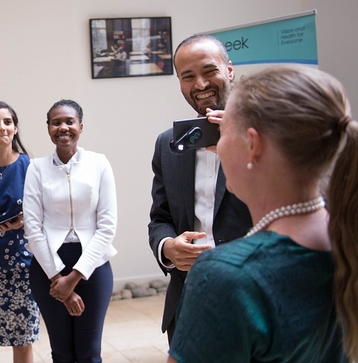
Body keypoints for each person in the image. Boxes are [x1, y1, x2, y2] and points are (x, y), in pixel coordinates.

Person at [167, 64, 351, 362]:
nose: (217, 146)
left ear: (253, 144)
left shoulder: (226, 275)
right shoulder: (346, 238)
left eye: (223, 132)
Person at [148, 33, 252, 343]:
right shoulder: (168, 145)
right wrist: (168, 247)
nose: (200, 84)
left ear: (229, 70)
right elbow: (160, 217)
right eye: (188, 76)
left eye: (209, 71)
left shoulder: (263, 134)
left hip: (252, 300)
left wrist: (242, 146)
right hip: (188, 304)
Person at [23, 99, 117, 363]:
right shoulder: (36, 168)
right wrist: (57, 278)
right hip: (47, 266)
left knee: (89, 353)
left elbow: (107, 226)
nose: (63, 127)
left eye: (69, 121)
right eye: (56, 122)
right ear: (48, 128)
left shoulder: (99, 164)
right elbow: (33, 227)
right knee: (62, 353)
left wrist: (72, 279)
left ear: (81, 126)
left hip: (93, 266)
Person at [0, 101, 39, 363]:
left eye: (7, 122)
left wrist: (25, 220)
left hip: (22, 265)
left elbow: (43, 213)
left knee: (23, 339)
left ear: (15, 129)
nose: (1, 127)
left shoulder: (29, 166)